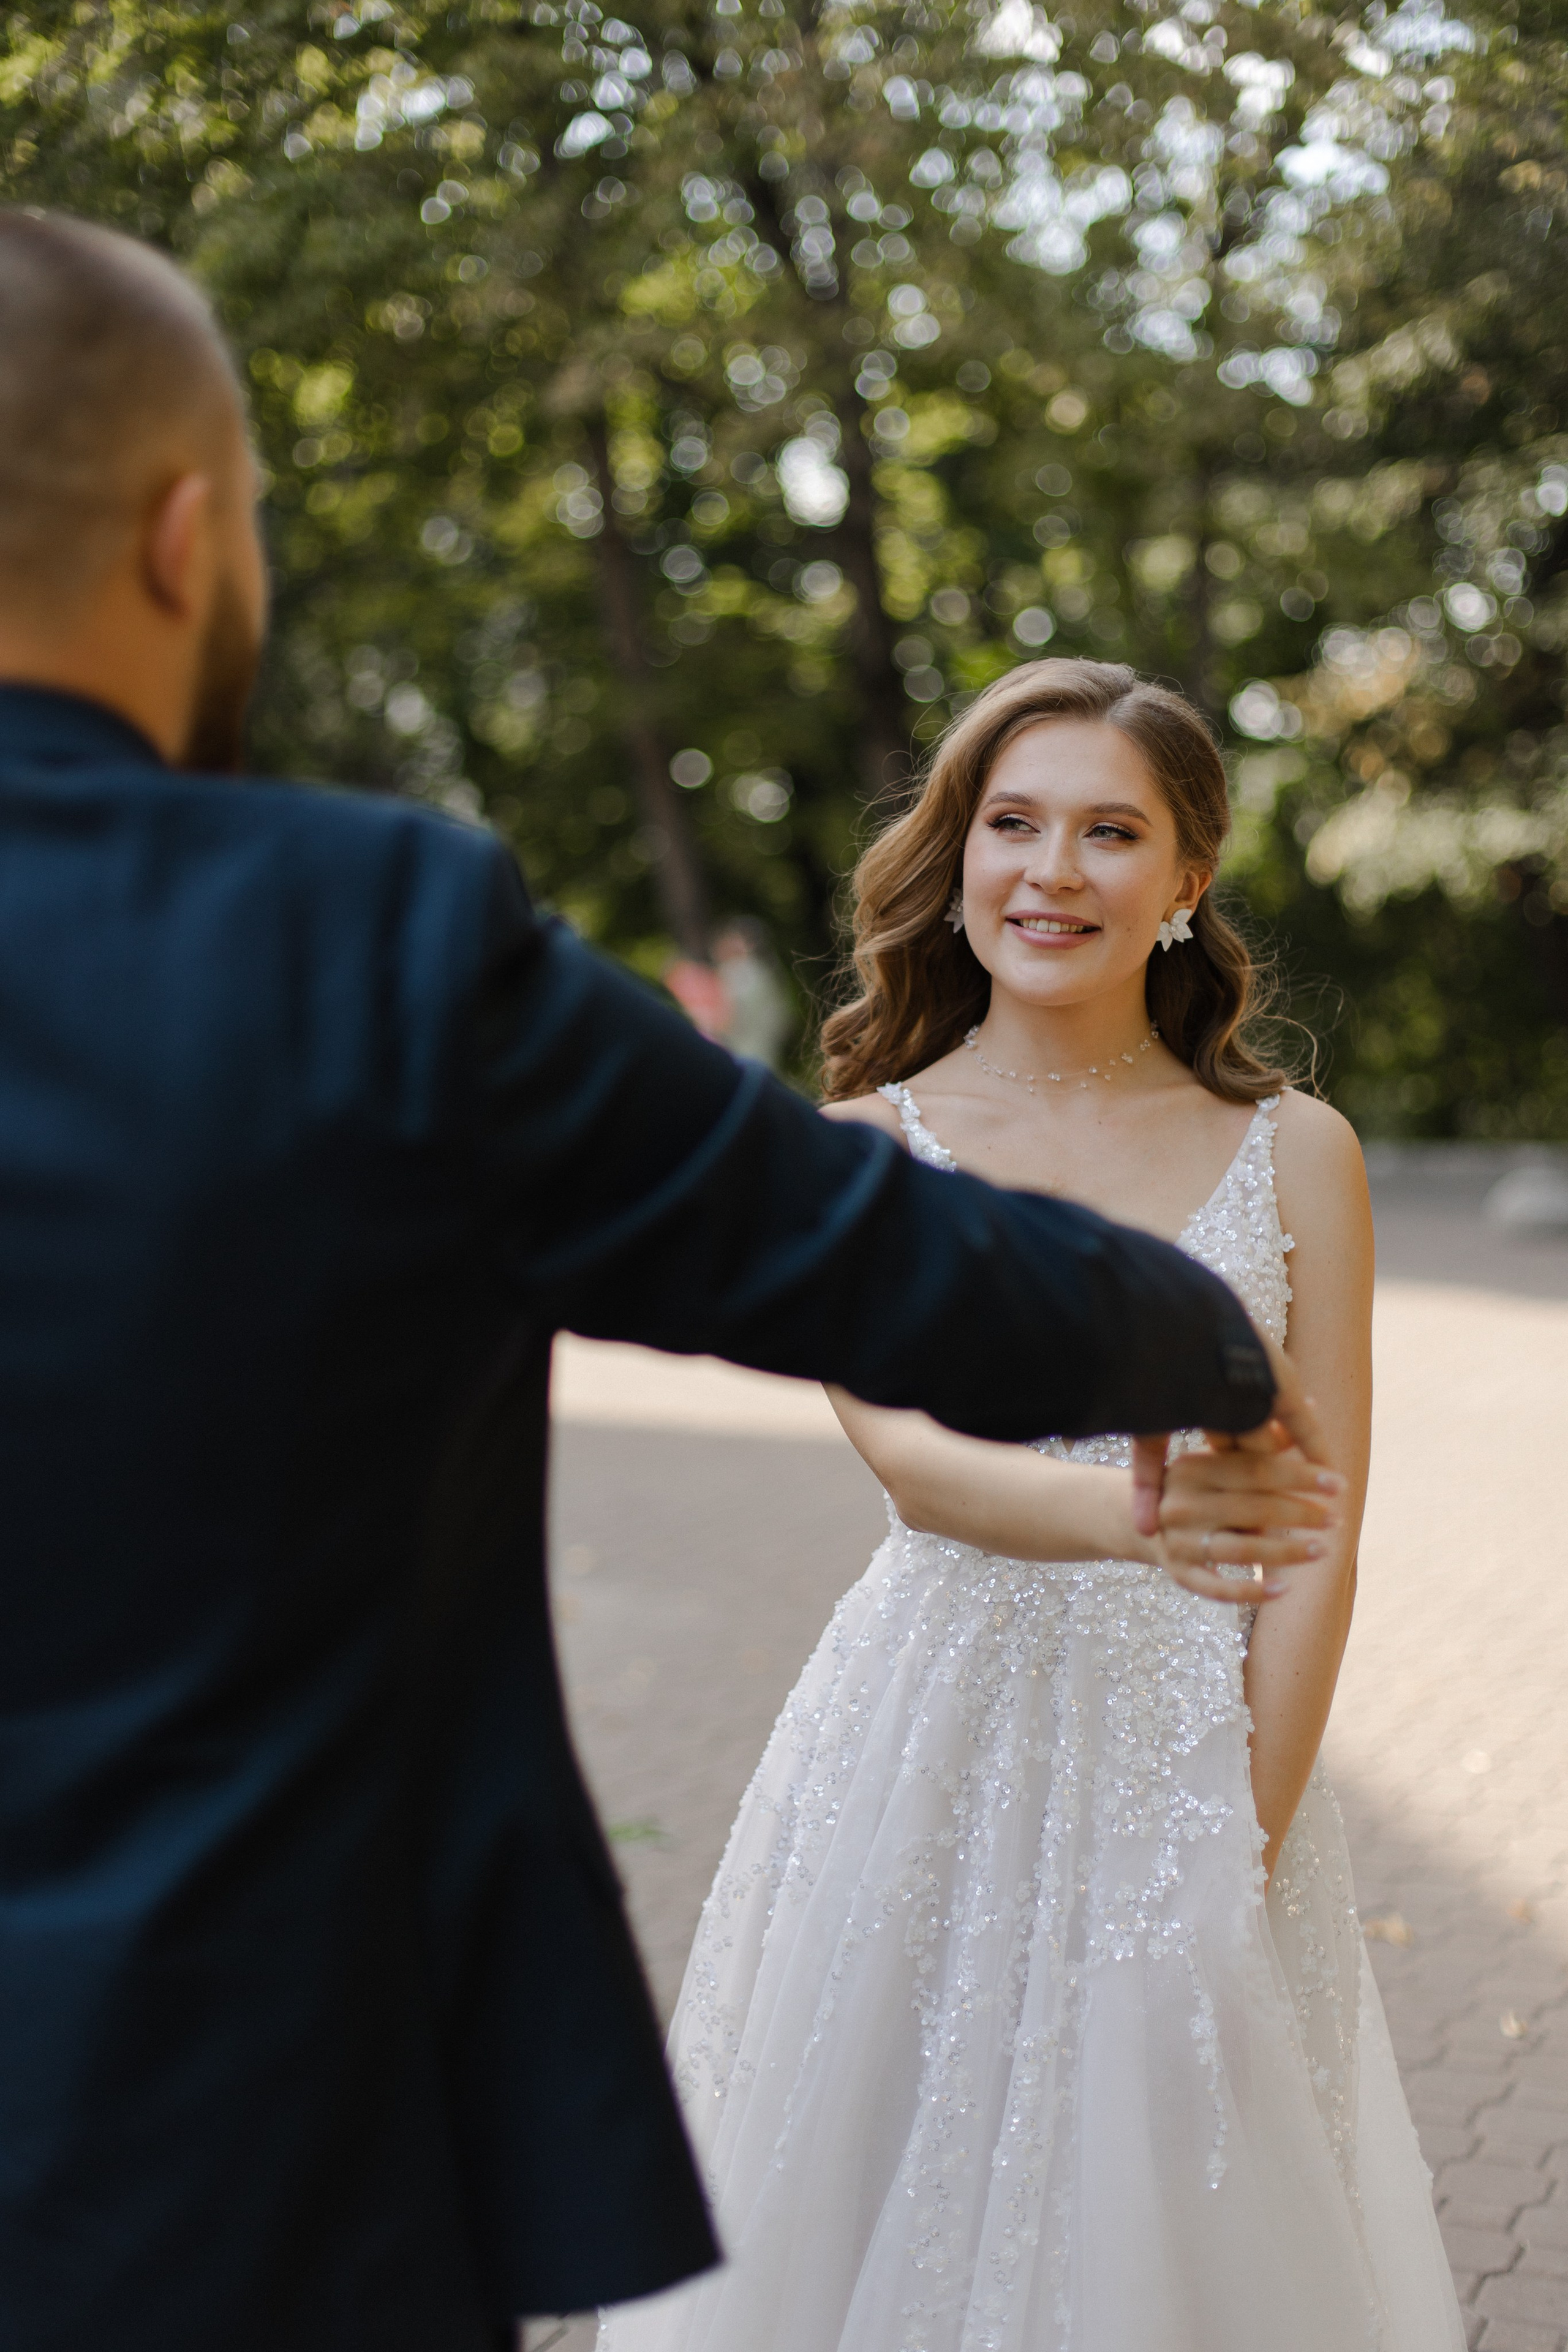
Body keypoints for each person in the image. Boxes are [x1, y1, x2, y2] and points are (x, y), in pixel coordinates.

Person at [0, 216, 1335, 2352]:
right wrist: (1199, 1339)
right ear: (182, 538)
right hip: (241, 2128)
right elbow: (843, 1250)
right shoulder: (363, 939)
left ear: (1186, 878)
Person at [599, 661, 1465, 2352]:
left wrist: (1243, 1837)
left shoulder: (1299, 1155)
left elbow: (1325, 1524)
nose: (1051, 870)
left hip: (1208, 1754)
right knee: (875, 2194)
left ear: (1185, 881)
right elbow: (923, 1472)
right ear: (958, 854)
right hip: (924, 1749)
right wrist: (1152, 1527)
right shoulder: (856, 1155)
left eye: (1109, 831)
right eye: (1011, 823)